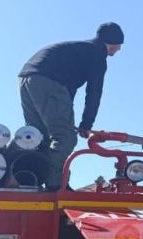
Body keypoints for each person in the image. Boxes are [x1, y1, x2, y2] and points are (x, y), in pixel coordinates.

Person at [18, 22, 124, 190]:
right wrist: (86, 125)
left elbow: (68, 92)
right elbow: (94, 93)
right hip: (48, 80)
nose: (118, 50)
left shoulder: (80, 50)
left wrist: (72, 118)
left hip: (27, 78)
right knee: (65, 136)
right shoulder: (97, 55)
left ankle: (30, 179)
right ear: (111, 41)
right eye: (118, 45)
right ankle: (56, 185)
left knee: (38, 136)